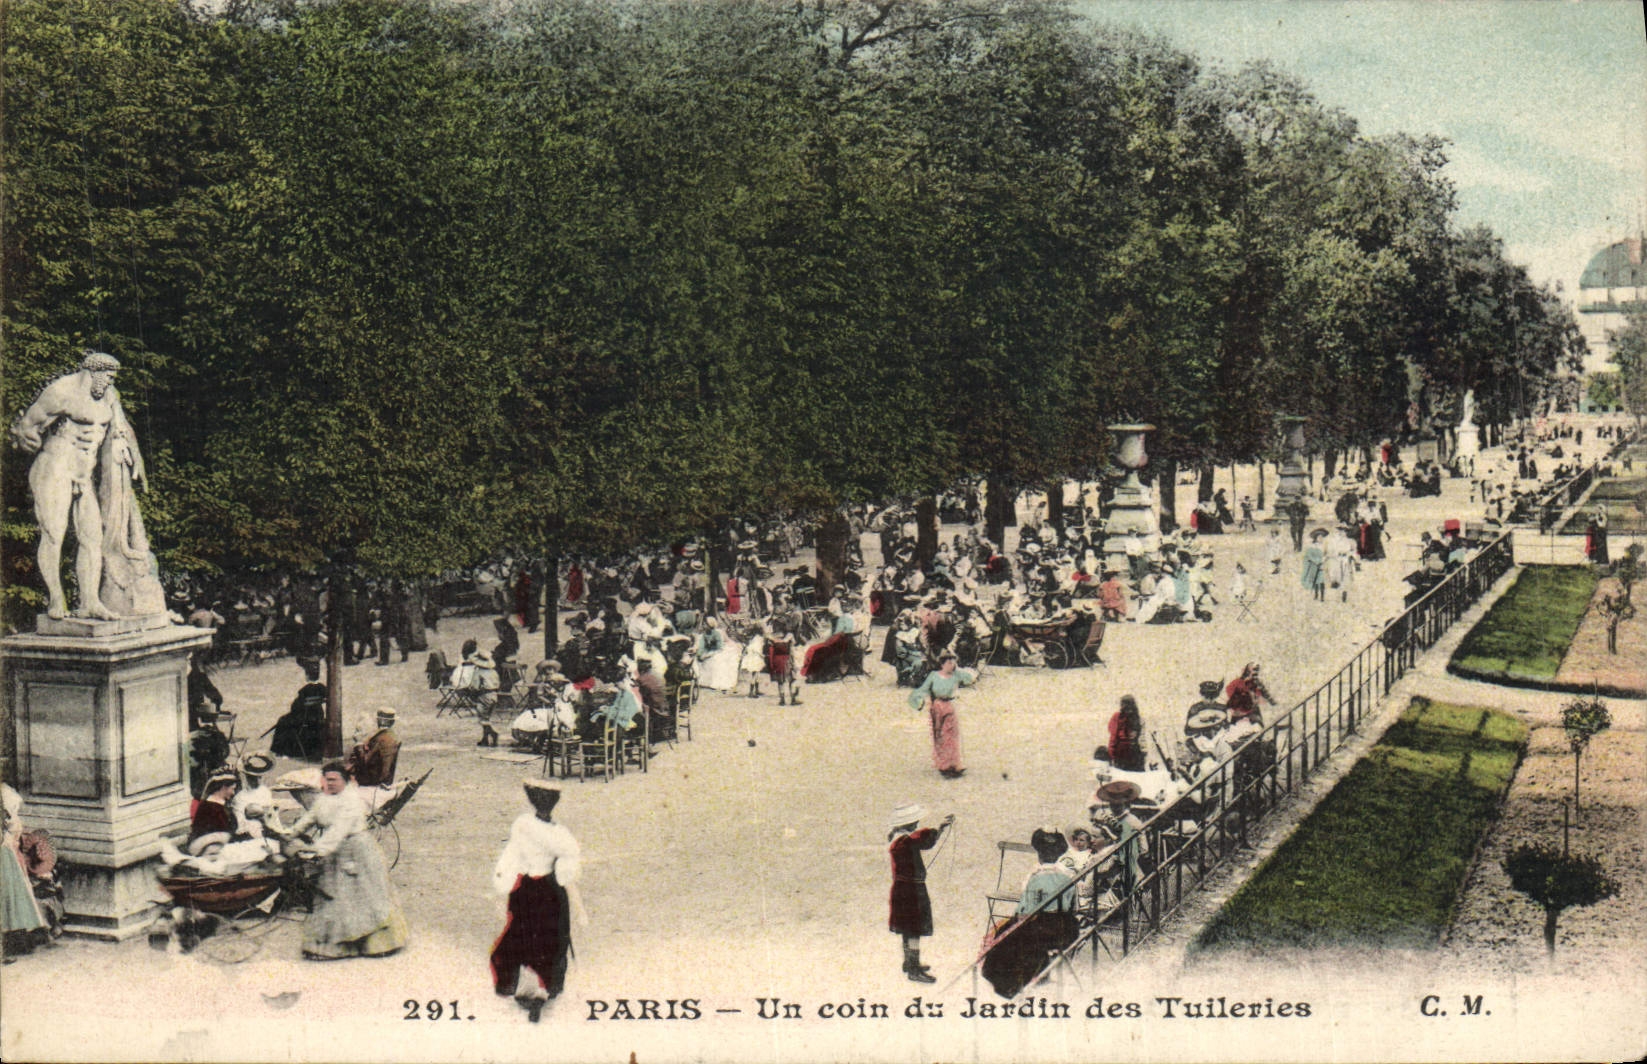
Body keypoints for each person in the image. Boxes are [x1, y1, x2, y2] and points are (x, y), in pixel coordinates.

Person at [8, 351, 164, 620]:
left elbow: (122, 428)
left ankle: (89, 602)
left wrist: (133, 457)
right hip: (54, 468)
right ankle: (57, 601)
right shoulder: (61, 391)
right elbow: (27, 427)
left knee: (93, 538)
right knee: (55, 534)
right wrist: (29, 439)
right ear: (93, 372)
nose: (111, 381)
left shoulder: (109, 395)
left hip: (83, 474)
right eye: (108, 375)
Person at [290, 762, 409, 959]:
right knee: (332, 896)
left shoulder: (352, 801)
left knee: (362, 896)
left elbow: (339, 829)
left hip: (357, 850)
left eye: (333, 780)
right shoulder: (324, 799)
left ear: (345, 780)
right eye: (326, 779)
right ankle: (333, 946)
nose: (329, 783)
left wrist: (317, 850)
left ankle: (377, 944)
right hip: (334, 852)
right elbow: (309, 818)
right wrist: (290, 833)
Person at [491, 781, 585, 1022]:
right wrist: (563, 874)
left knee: (522, 933)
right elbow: (568, 865)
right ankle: (547, 985)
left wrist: (504, 879)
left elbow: (511, 855)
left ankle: (525, 983)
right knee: (551, 937)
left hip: (526, 889)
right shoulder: (560, 835)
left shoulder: (522, 825)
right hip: (549, 890)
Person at [886, 803, 954, 983]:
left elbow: (922, 839)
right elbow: (925, 840)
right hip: (911, 890)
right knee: (913, 928)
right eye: (913, 822)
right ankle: (914, 969)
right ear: (907, 824)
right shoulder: (905, 841)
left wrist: (939, 828)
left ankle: (909, 962)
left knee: (907, 928)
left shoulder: (897, 838)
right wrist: (940, 827)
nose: (916, 824)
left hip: (903, 888)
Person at [908, 653, 975, 778]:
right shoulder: (934, 676)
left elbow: (970, 679)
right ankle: (943, 764)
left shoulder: (956, 676)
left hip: (949, 704)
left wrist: (959, 669)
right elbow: (923, 689)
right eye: (949, 663)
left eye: (953, 662)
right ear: (942, 664)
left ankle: (955, 764)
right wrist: (918, 701)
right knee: (939, 735)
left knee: (951, 734)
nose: (952, 665)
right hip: (937, 706)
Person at [2, 781, 49, 955]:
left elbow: (13, 827)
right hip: (6, 849)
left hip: (6, 850)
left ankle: (15, 936)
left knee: (12, 894)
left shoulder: (5, 795)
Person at [271, 658, 328, 760]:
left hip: (305, 718)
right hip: (317, 716)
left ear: (307, 676)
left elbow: (296, 707)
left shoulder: (304, 690)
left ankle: (280, 750)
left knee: (283, 721)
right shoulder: (322, 688)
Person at [345, 707, 401, 789]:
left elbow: (365, 761)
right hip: (384, 781)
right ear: (392, 721)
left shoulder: (381, 739)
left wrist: (358, 743)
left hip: (372, 783)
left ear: (381, 721)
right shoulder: (391, 736)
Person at [189, 773, 238, 843]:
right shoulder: (210, 808)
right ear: (224, 788)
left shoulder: (220, 805)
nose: (233, 793)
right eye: (232, 789)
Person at [1102, 695, 1147, 772]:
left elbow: (1113, 738)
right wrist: (1144, 752)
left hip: (1129, 753)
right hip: (1127, 753)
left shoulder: (1137, 719)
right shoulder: (1118, 718)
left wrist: (1143, 751)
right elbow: (1113, 737)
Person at [187, 653, 223, 731]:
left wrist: (215, 707)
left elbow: (216, 697)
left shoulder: (199, 677)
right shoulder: (199, 676)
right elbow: (217, 697)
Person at [1302, 529, 1327, 602]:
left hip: (1322, 565)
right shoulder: (1312, 546)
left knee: (1322, 580)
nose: (1321, 539)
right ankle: (1316, 594)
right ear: (1316, 538)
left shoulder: (1324, 546)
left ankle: (1322, 596)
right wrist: (1316, 561)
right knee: (1315, 580)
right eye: (1319, 537)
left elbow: (1326, 554)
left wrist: (1323, 560)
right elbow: (1309, 555)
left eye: (1322, 537)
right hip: (1314, 565)